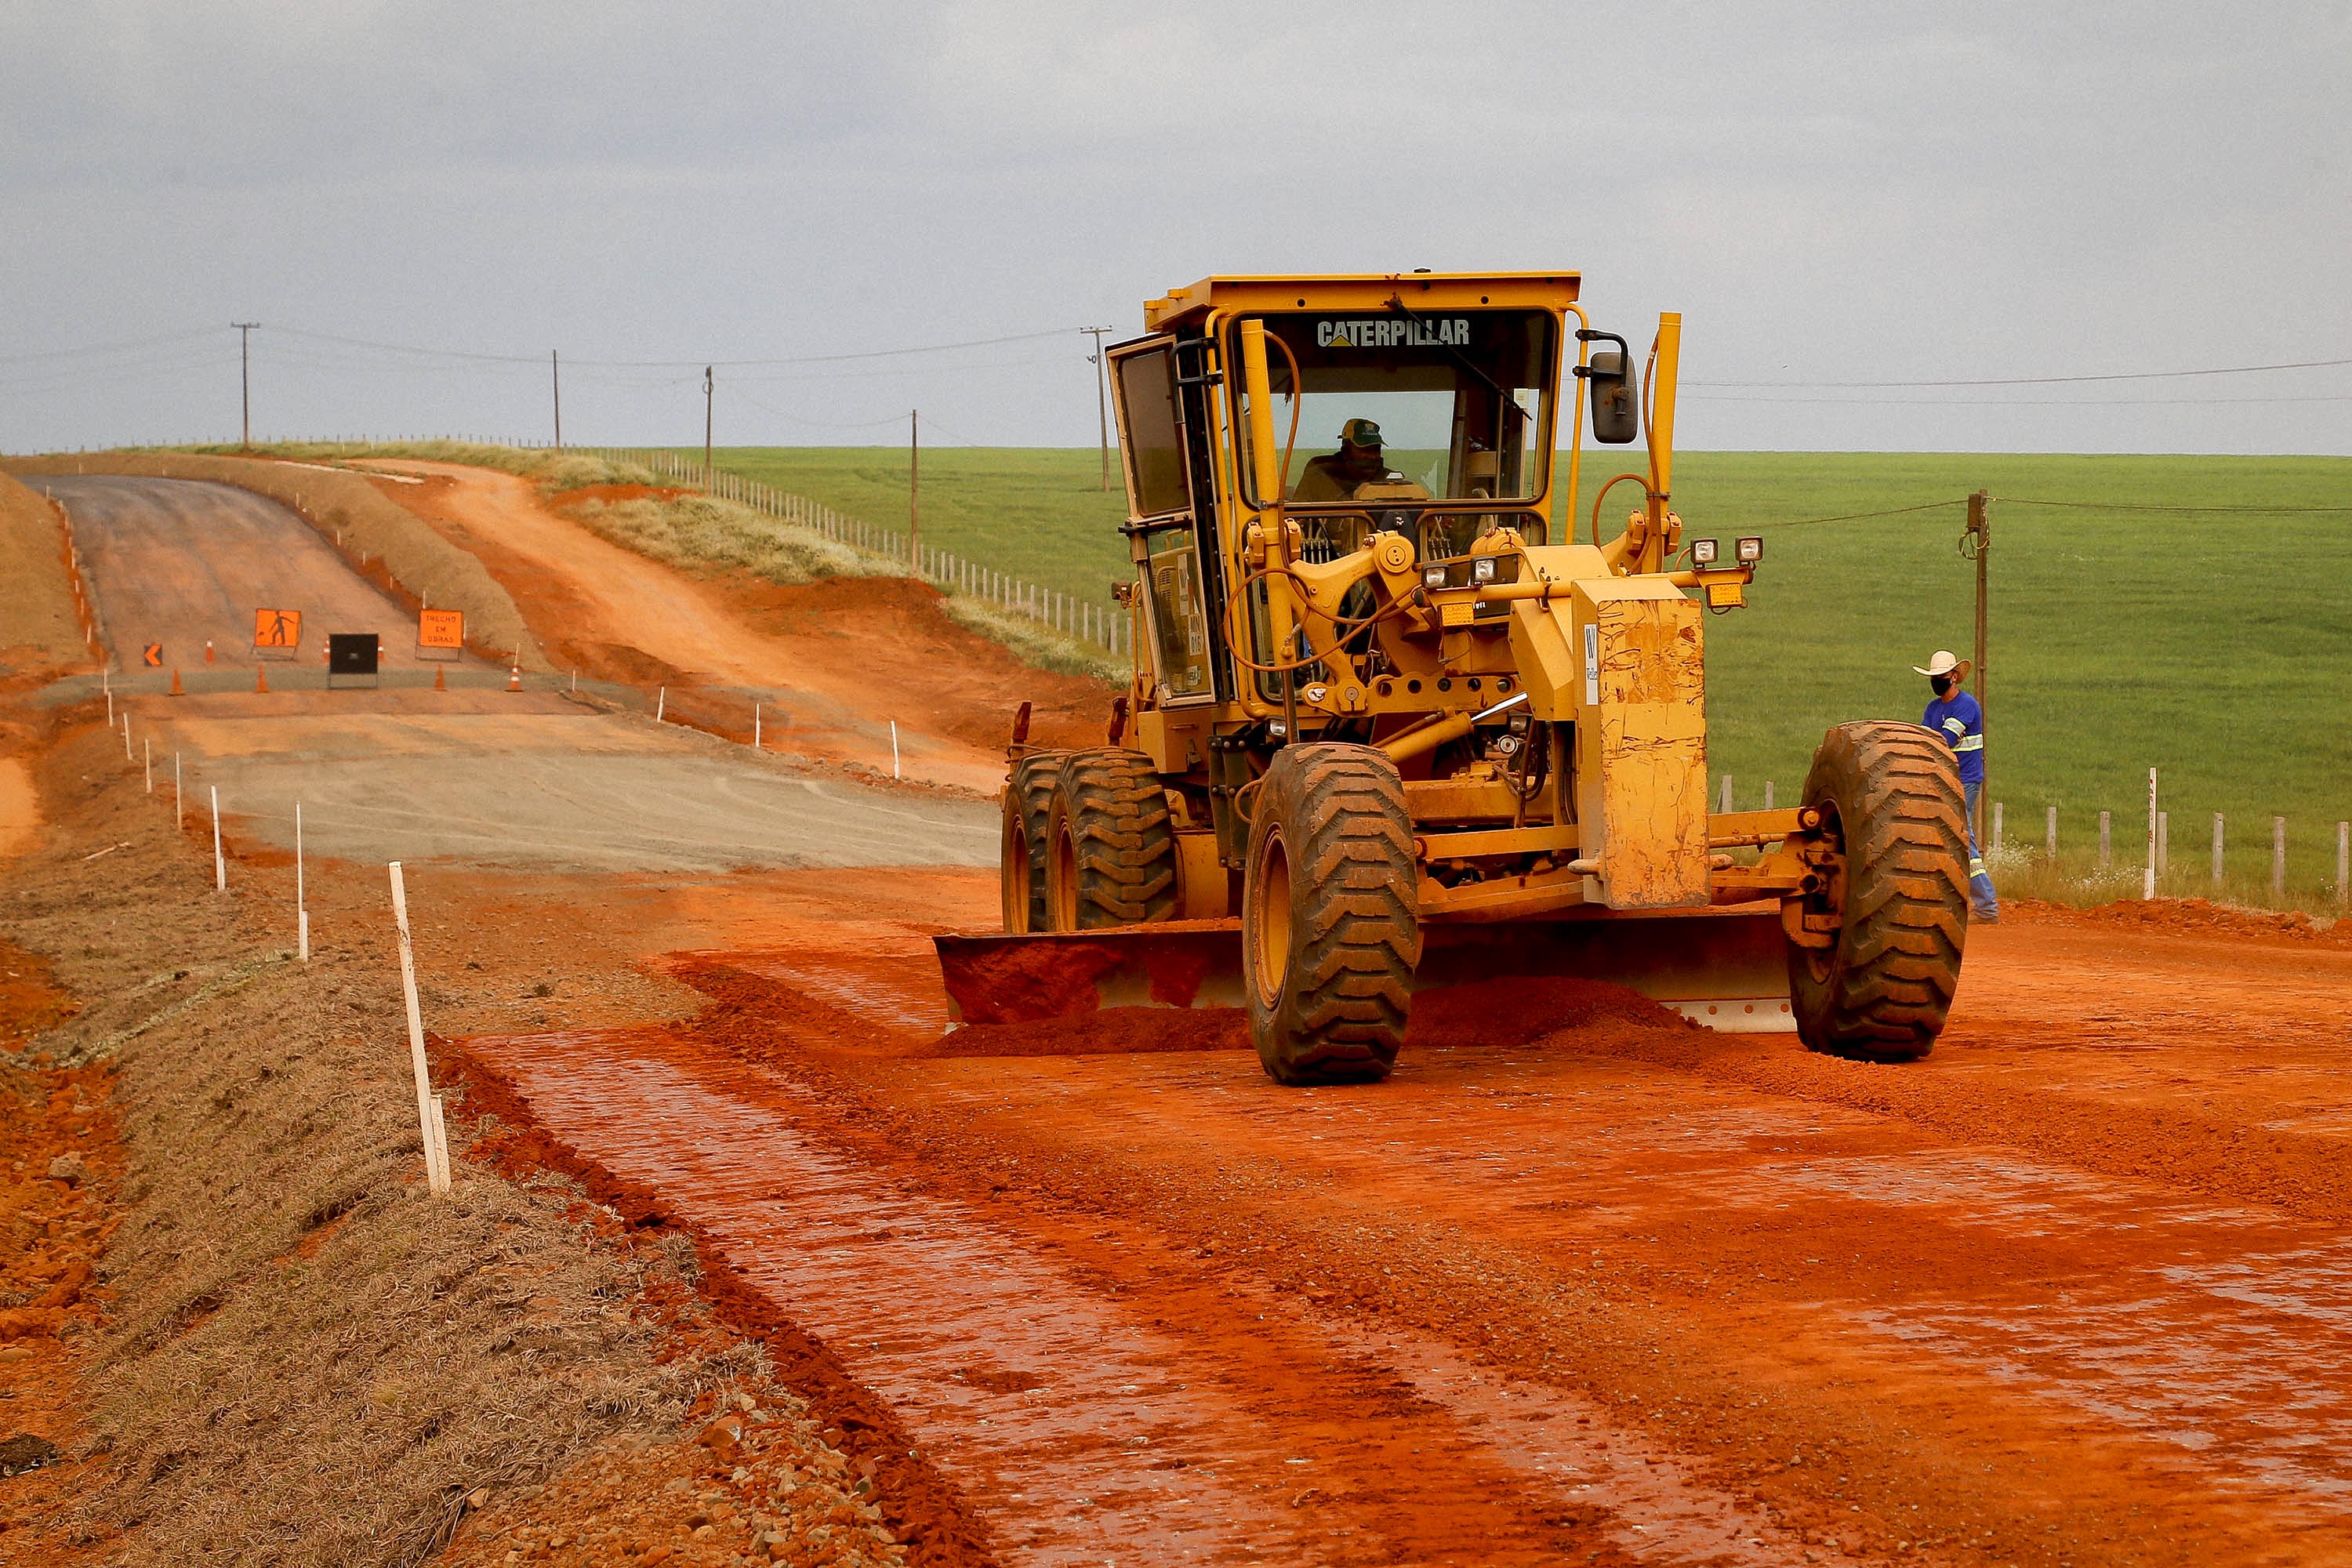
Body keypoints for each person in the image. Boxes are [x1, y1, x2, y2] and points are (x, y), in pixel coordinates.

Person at [1915, 649, 1999, 923]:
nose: (1938, 680)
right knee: (1952, 837)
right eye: (1935, 677)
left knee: (1963, 839)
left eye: (1941, 676)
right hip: (1945, 779)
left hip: (1965, 780)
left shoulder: (1967, 705)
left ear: (1954, 677)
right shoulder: (1934, 708)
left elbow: (1942, 740)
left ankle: (1986, 905)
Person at [1293, 417, 1400, 501]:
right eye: (1365, 450)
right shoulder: (1318, 479)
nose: (1372, 456)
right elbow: (1295, 521)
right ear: (1346, 451)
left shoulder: (1392, 481)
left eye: (1376, 449)